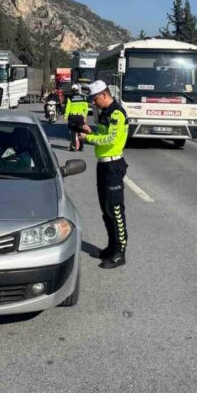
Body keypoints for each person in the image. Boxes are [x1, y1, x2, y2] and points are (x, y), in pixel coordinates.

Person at [78, 80, 129, 269]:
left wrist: (88, 138)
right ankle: (112, 247)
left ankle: (120, 252)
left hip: (113, 165)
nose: (93, 102)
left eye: (94, 98)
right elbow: (104, 131)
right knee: (106, 210)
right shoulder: (106, 113)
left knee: (115, 211)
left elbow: (111, 138)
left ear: (104, 95)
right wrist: (92, 130)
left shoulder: (117, 113)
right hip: (103, 165)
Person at [64, 84, 89, 151]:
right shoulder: (83, 97)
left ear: (72, 90)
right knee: (81, 131)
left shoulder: (70, 98)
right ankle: (81, 147)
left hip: (72, 117)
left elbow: (68, 108)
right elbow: (86, 108)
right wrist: (85, 116)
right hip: (81, 117)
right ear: (78, 90)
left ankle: (74, 147)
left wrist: (65, 117)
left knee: (73, 132)